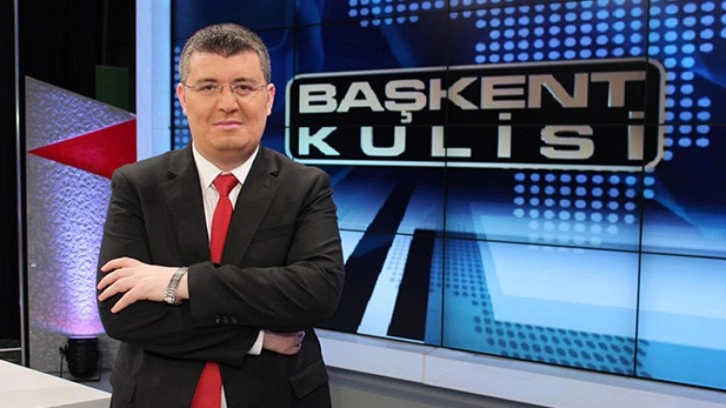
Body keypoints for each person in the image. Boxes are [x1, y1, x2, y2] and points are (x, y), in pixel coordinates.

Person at [96, 23, 345, 408]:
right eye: (208, 87)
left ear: (269, 98)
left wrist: (180, 282)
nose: (227, 103)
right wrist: (253, 338)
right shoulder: (137, 185)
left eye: (243, 87)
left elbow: (316, 293)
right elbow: (122, 315)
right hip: (158, 394)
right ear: (183, 97)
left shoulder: (305, 187)